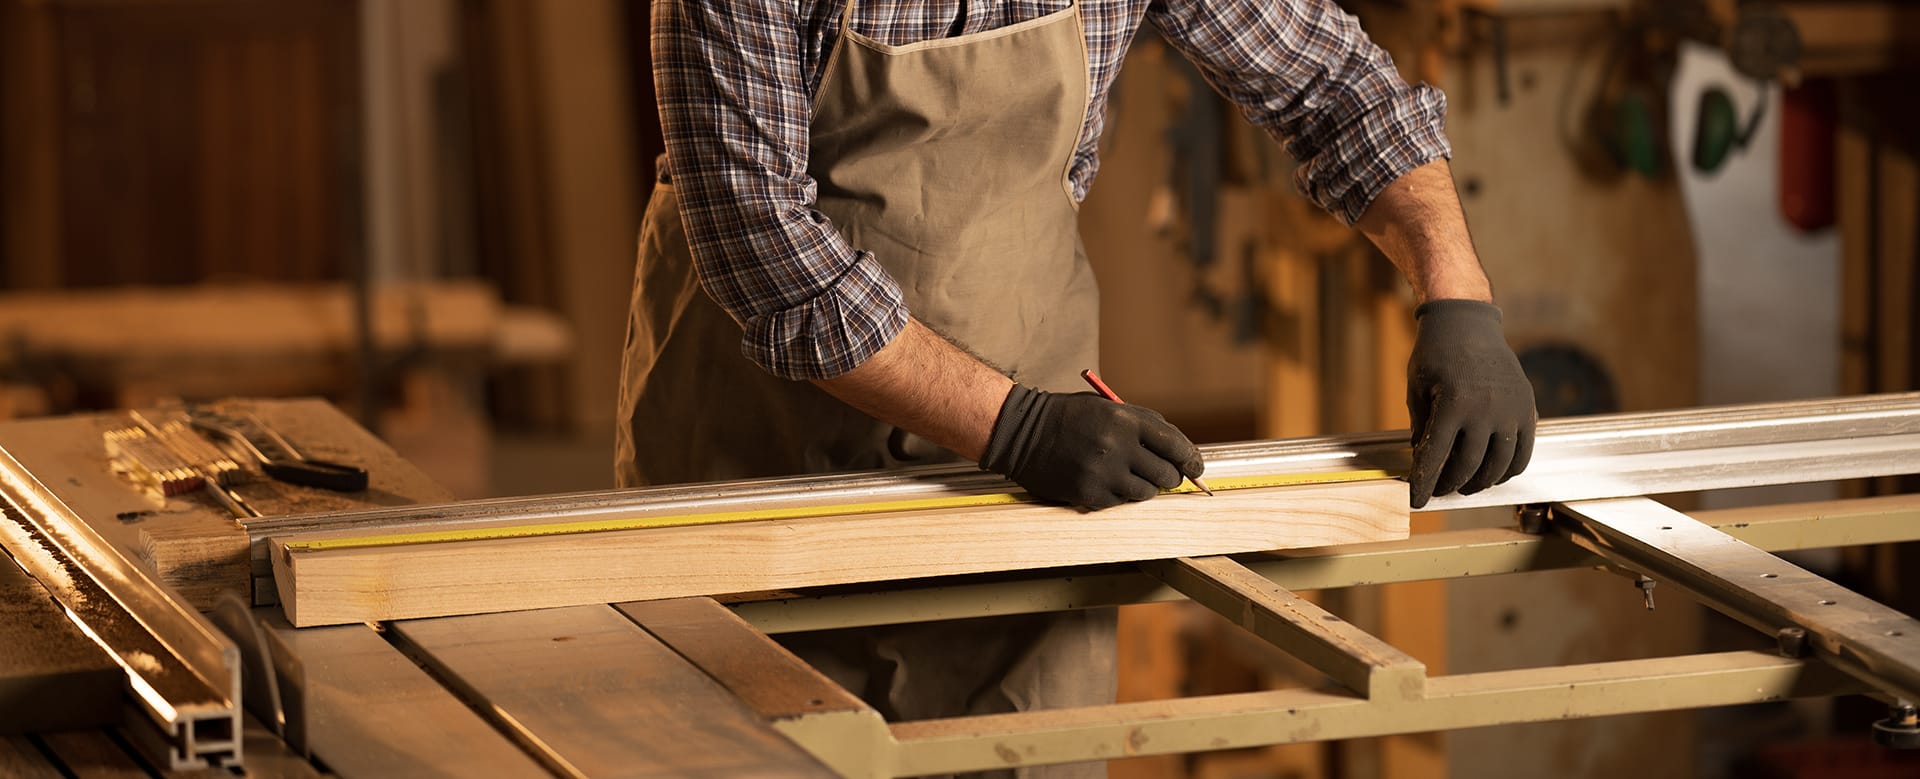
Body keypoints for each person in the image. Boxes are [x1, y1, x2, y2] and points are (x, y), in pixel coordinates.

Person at [619, 2, 1536, 776]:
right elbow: (761, 238)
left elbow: (1337, 89)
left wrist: (1458, 295)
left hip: (1031, 440)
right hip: (757, 437)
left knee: (1025, 743)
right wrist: (1014, 425)